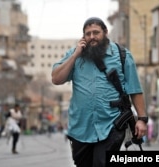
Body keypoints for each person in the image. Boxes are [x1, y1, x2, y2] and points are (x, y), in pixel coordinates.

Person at [51, 17, 147, 167]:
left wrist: (142, 119)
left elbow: (135, 90)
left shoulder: (122, 55)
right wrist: (75, 55)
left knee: (102, 163)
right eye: (87, 34)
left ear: (105, 32)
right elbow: (56, 78)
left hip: (111, 124)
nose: (91, 37)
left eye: (96, 32)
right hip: (81, 127)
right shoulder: (74, 54)